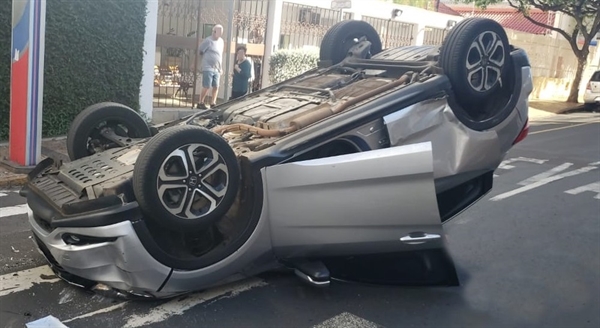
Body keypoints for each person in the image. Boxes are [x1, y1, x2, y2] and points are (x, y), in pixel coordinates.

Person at [197, 24, 224, 109]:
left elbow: (220, 55)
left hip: (217, 67)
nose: (219, 34)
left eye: (221, 32)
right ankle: (200, 102)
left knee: (216, 86)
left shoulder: (221, 41)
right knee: (207, 86)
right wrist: (198, 63)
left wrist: (221, 67)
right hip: (208, 66)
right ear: (214, 31)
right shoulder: (208, 41)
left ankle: (213, 103)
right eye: (217, 31)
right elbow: (200, 51)